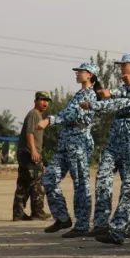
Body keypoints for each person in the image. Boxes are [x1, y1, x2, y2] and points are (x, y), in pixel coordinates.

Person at [40, 62, 102, 236]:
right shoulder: (78, 94)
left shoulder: (91, 94)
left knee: (81, 184)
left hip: (79, 141)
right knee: (49, 178)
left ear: (89, 74)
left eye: (80, 72)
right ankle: (62, 217)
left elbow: (72, 114)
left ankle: (82, 225)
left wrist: (49, 120)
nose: (77, 74)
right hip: (66, 142)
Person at [90, 54, 130, 237]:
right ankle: (101, 223)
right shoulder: (121, 88)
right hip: (115, 139)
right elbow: (109, 102)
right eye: (120, 65)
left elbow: (115, 103)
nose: (121, 68)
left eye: (125, 65)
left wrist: (94, 104)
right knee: (102, 179)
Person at [13, 91, 52, 221]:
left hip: (24, 153)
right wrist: (34, 151)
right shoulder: (34, 114)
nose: (45, 102)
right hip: (29, 153)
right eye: (42, 99)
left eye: (47, 100)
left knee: (23, 183)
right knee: (37, 182)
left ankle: (18, 213)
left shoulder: (37, 116)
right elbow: (29, 133)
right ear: (36, 101)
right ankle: (37, 211)